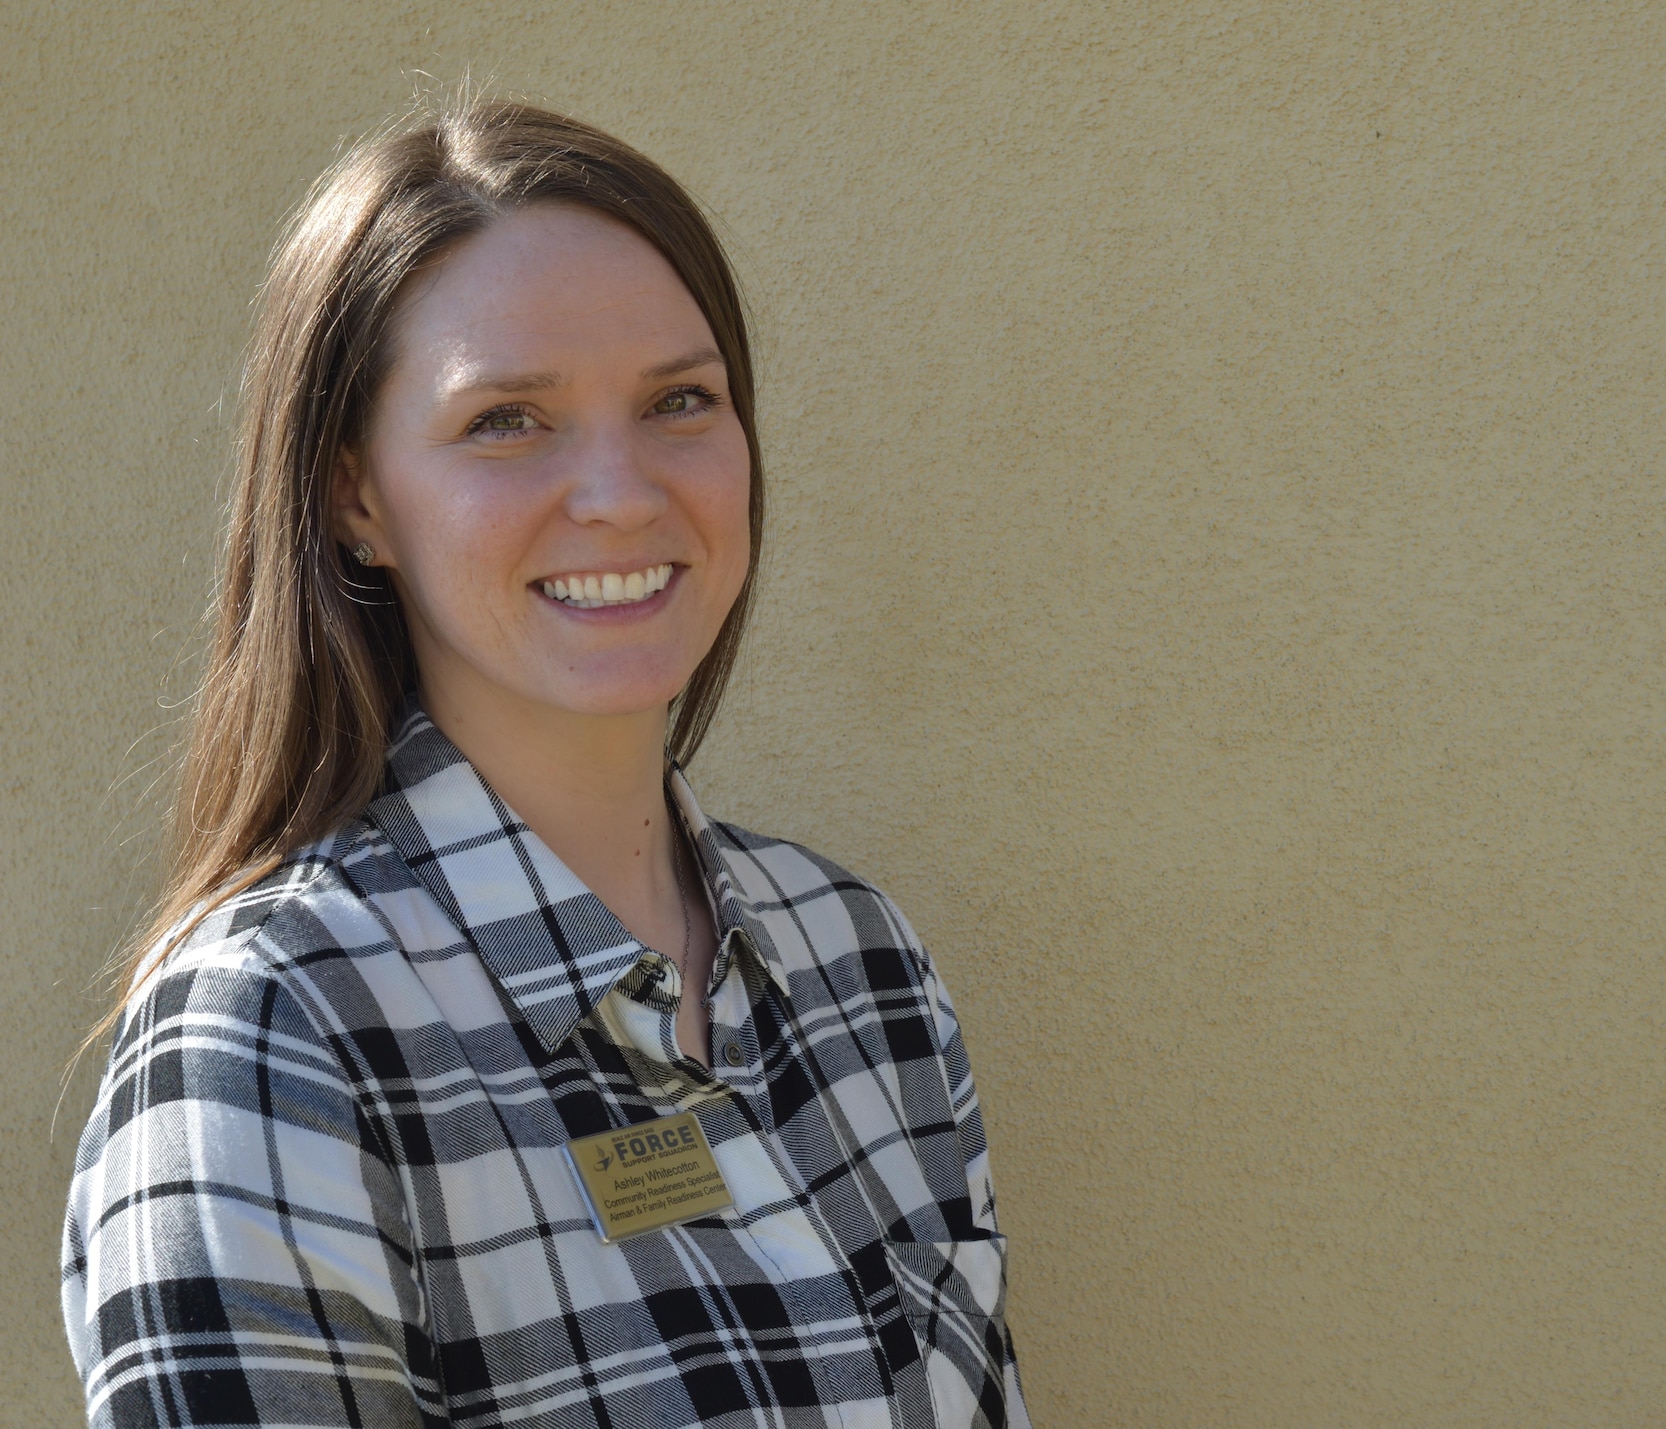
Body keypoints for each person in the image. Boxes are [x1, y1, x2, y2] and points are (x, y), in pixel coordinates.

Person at [62, 101, 1028, 1429]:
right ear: (356, 496)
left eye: (680, 400)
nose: (624, 492)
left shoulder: (861, 960)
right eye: (508, 420)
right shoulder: (271, 1038)